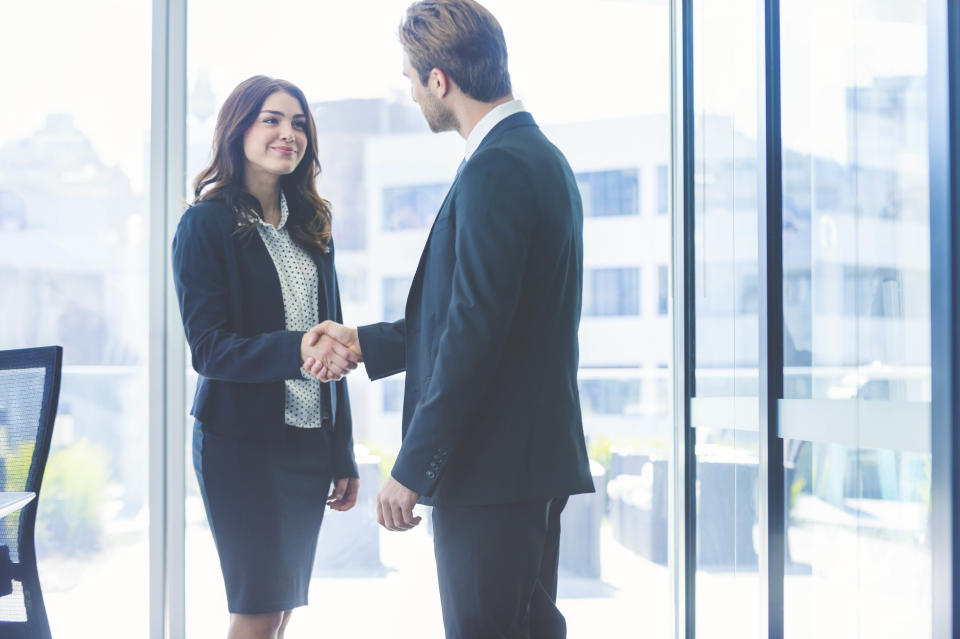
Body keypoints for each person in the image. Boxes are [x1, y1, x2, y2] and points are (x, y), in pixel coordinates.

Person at [306, 1, 594, 636]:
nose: (411, 95)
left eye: (411, 79)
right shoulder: (536, 157)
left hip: (491, 469)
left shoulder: (497, 167)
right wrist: (364, 342)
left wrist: (412, 466)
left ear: (440, 80)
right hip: (525, 464)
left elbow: (475, 334)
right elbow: (481, 317)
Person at [171, 75, 362, 639]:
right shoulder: (205, 224)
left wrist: (341, 449)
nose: (289, 133)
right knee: (255, 608)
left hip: (307, 442)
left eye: (299, 123)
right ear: (239, 129)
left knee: (279, 609)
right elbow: (208, 348)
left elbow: (335, 347)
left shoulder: (311, 226)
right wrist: (293, 348)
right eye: (272, 120)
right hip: (241, 445)